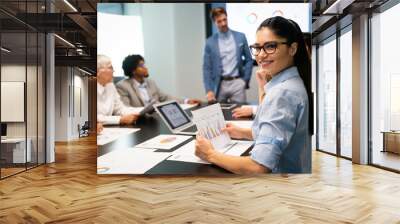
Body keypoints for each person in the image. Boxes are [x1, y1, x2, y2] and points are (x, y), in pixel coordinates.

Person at [195, 16, 312, 174]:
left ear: (292, 48)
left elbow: (258, 167)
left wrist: (209, 154)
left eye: (270, 46)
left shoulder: (282, 93)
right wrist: (242, 132)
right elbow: (279, 133)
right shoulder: (292, 83)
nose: (261, 55)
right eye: (257, 48)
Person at [203, 7, 253, 103]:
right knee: (220, 114)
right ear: (214, 22)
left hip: (237, 82)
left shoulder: (240, 37)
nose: (223, 23)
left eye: (224, 19)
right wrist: (209, 90)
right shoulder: (210, 42)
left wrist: (245, 80)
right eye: (219, 21)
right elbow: (207, 68)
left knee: (240, 114)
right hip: (220, 84)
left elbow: (249, 60)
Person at [116, 54, 200, 107]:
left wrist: (186, 101)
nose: (145, 67)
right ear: (133, 70)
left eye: (144, 64)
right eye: (141, 66)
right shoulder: (123, 86)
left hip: (155, 118)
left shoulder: (150, 82)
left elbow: (165, 97)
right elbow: (126, 108)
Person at [97, 54, 140, 125]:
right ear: (98, 71)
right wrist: (120, 119)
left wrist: (140, 112)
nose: (113, 71)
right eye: (110, 67)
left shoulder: (110, 85)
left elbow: (119, 109)